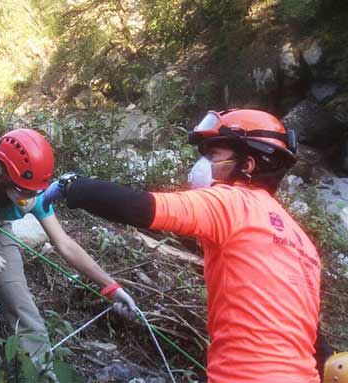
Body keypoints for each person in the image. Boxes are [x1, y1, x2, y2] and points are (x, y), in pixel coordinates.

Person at [44, 109, 322, 382]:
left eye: (213, 155)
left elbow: (140, 207)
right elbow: (310, 334)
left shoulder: (230, 202)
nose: (202, 164)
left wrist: (74, 186)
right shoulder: (301, 240)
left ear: (247, 165)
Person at [0, 128, 136, 370]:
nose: (28, 199)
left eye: (33, 192)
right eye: (23, 191)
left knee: (18, 296)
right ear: (2, 173)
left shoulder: (34, 190)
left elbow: (64, 244)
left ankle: (39, 368)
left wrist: (111, 287)